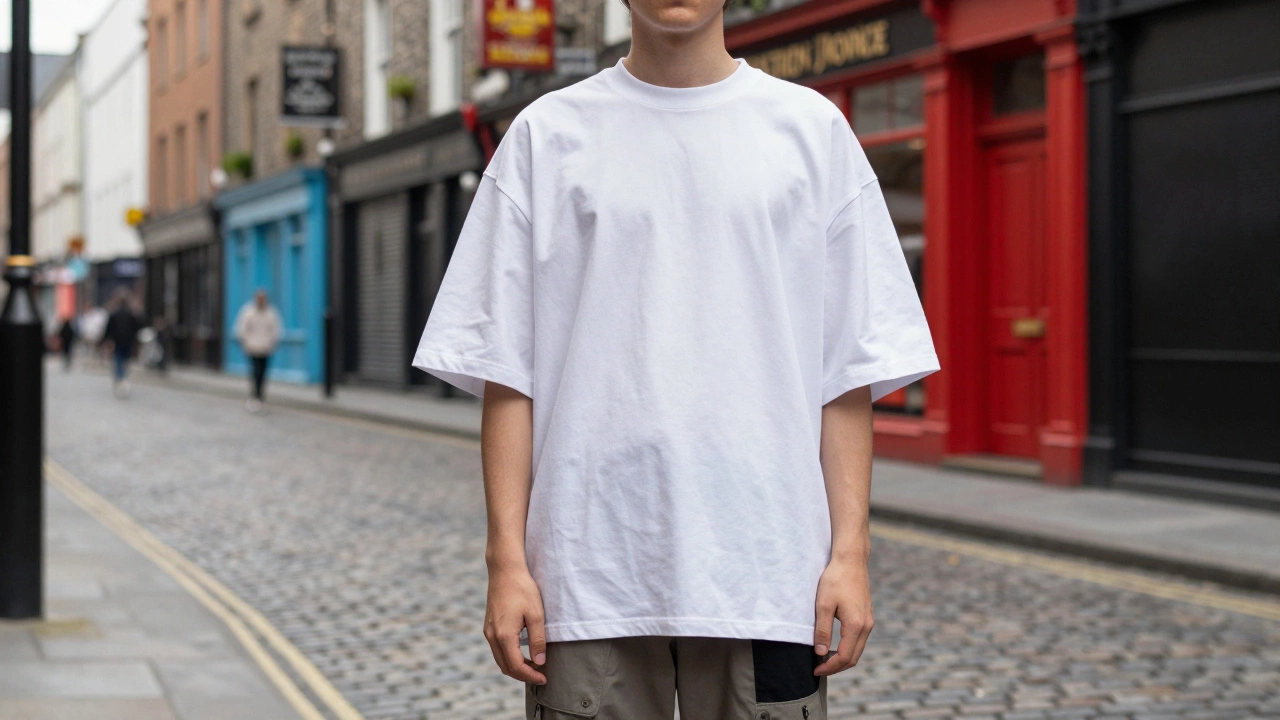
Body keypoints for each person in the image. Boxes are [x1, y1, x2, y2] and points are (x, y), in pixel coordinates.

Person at [412, 1, 941, 717]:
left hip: (768, 570)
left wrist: (851, 552)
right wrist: (506, 560)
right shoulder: (547, 136)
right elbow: (508, 373)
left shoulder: (812, 132)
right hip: (589, 571)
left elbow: (846, 372)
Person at [233, 289, 283, 413]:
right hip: (253, 347)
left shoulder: (271, 313)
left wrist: (273, 343)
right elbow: (241, 328)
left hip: (266, 348)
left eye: (263, 298)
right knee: (255, 372)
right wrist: (246, 342)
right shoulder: (248, 312)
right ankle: (255, 396)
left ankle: (260, 396)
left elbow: (276, 329)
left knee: (263, 373)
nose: (261, 301)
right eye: (259, 298)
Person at [102, 289, 144, 397]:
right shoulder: (132, 314)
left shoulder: (114, 313)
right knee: (125, 360)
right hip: (128, 341)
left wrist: (105, 340)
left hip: (117, 341)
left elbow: (108, 329)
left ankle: (120, 379)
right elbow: (138, 327)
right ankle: (123, 378)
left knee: (118, 360)